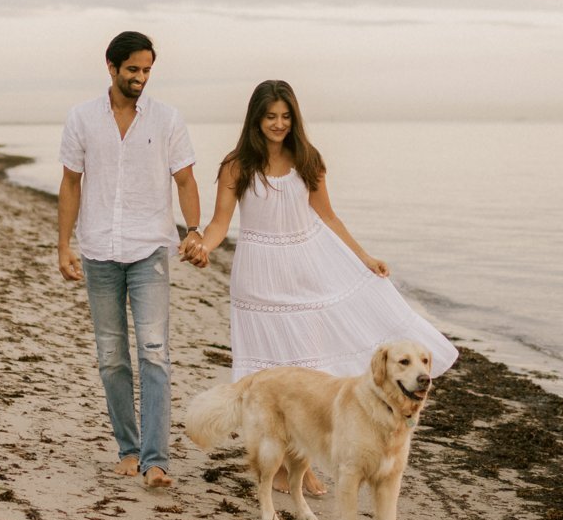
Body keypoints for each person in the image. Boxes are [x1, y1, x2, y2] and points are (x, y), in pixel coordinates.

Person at [186, 79, 457, 488]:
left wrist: (364, 257)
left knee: (308, 370)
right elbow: (220, 222)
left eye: (285, 116)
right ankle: (273, 466)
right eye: (270, 116)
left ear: (294, 118)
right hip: (257, 276)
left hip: (304, 273)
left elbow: (329, 217)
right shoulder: (236, 164)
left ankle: (301, 465)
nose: (278, 124)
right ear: (255, 119)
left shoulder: (307, 160)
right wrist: (203, 246)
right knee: (265, 368)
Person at [57, 31, 205, 489]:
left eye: (147, 70)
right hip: (99, 251)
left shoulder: (167, 119)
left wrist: (195, 229)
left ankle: (156, 460)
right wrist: (64, 245)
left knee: (155, 355)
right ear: (112, 66)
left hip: (150, 252)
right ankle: (128, 449)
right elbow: (70, 184)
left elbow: (184, 180)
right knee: (111, 358)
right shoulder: (82, 118)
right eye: (133, 69)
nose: (140, 77)